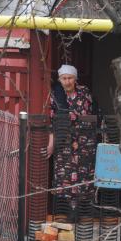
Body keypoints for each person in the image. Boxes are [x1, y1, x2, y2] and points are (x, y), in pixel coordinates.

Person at [48, 64, 101, 217]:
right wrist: (52, 142)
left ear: (75, 79)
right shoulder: (55, 96)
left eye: (70, 78)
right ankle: (67, 211)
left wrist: (77, 120)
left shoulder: (84, 92)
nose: (67, 81)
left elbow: (93, 116)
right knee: (65, 176)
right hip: (65, 143)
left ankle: (84, 210)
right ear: (59, 79)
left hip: (85, 142)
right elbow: (52, 120)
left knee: (85, 175)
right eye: (64, 78)